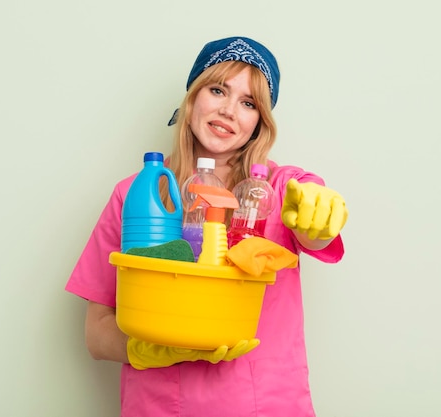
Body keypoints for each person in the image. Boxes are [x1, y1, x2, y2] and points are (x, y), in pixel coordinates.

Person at [65, 36, 349, 416]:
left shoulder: (280, 191)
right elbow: (97, 334)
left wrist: (320, 217)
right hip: (159, 406)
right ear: (193, 96)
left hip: (266, 405)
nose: (230, 110)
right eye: (218, 90)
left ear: (259, 122)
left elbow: (315, 231)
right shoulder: (138, 195)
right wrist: (147, 349)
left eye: (248, 103)